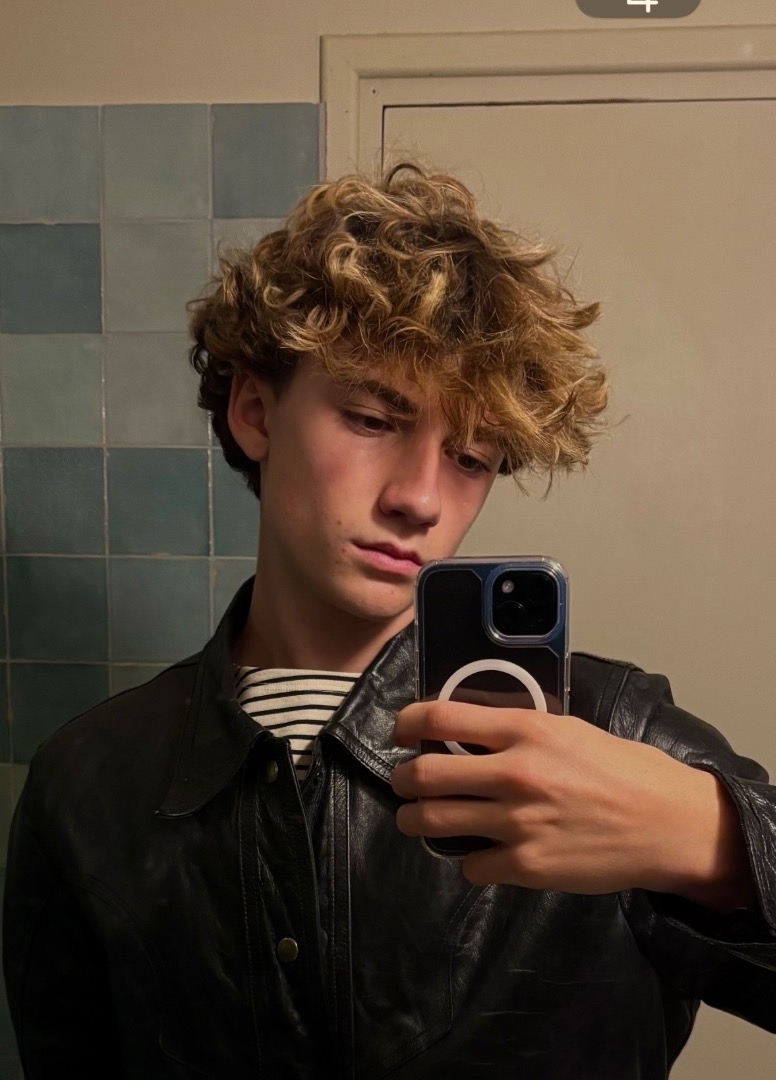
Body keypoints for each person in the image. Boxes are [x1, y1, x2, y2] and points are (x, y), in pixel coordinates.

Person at [4, 162, 776, 1080]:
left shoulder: (612, 732)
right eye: (374, 418)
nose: (421, 499)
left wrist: (713, 842)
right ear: (254, 411)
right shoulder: (85, 783)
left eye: (472, 458)